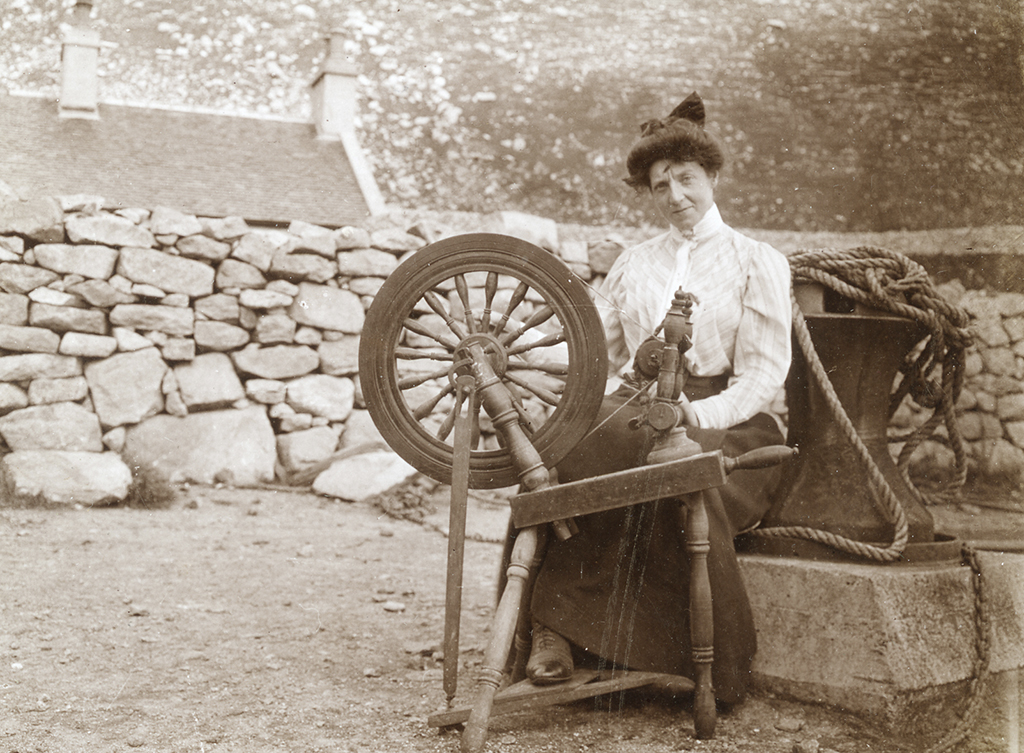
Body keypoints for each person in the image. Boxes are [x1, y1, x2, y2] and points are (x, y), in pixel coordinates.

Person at [521, 92, 793, 705]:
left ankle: (695, 662)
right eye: (659, 185)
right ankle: (555, 629)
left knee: (674, 468)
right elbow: (593, 354)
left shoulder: (757, 261)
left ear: (712, 177)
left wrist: (697, 414)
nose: (674, 196)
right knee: (564, 450)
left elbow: (761, 374)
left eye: (686, 179)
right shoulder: (633, 266)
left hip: (728, 417)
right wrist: (511, 359)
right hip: (636, 405)